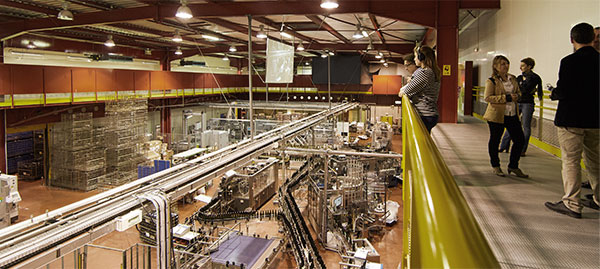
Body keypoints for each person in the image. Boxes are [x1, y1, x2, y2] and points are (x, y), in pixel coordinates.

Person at [544, 22, 599, 219]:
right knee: (596, 161)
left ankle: (572, 203)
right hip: (595, 120)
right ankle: (598, 199)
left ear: (572, 40)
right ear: (593, 39)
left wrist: (555, 93)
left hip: (571, 120)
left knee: (571, 160)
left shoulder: (569, 62)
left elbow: (564, 90)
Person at [482, 55, 528, 178]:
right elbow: (487, 98)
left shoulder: (512, 79)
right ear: (496, 66)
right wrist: (507, 98)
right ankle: (496, 166)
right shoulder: (491, 81)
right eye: (502, 64)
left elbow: (518, 92)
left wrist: (517, 96)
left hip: (512, 114)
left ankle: (513, 166)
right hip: (497, 115)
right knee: (495, 140)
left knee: (519, 140)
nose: (505, 66)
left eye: (507, 63)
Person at [499, 58, 543, 156]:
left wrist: (522, 88)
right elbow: (516, 89)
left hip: (527, 103)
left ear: (529, 67)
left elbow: (524, 89)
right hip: (517, 102)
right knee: (511, 123)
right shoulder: (519, 77)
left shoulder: (535, 77)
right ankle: (504, 146)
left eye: (523, 65)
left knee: (526, 127)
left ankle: (522, 150)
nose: (520, 67)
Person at [398, 46, 441, 133]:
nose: (414, 59)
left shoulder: (424, 72)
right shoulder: (430, 71)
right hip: (429, 114)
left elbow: (405, 92)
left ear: (421, 57)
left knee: (420, 143)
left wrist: (405, 88)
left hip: (424, 115)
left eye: (415, 56)